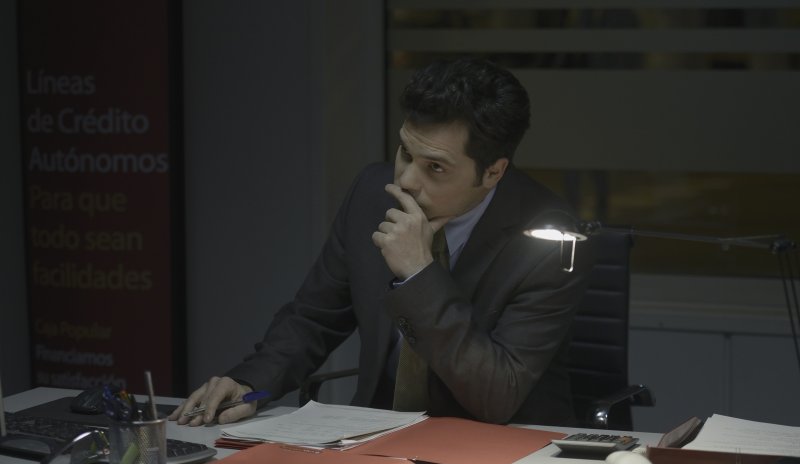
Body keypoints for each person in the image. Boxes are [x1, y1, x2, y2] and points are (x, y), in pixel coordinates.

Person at [170, 57, 593, 428]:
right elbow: (314, 317)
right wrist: (249, 382)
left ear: (493, 172)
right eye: (406, 153)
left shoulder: (550, 236)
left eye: (435, 168)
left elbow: (496, 394)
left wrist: (419, 275)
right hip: (380, 435)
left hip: (504, 449)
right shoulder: (372, 193)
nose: (406, 181)